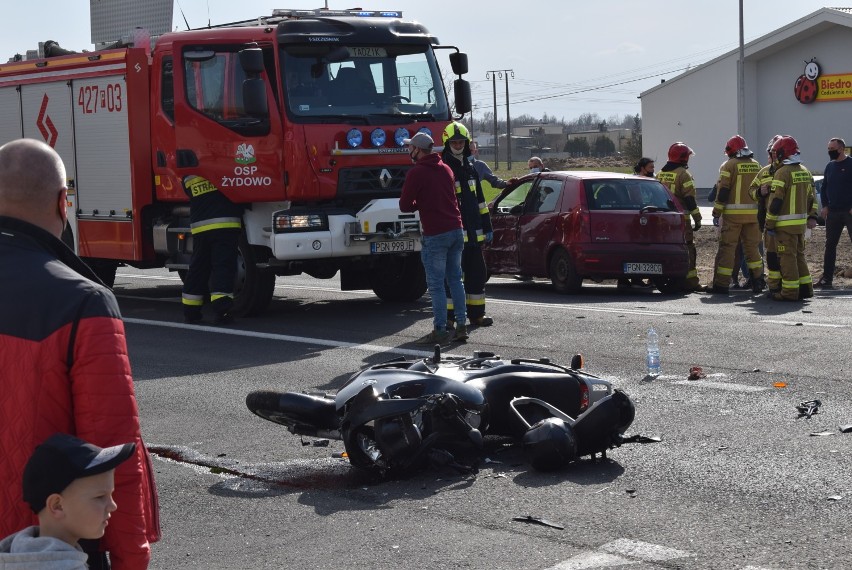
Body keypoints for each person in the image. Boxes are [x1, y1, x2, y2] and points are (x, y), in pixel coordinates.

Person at [0, 138, 159, 569]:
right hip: (42, 548)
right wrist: (131, 558)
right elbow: (112, 449)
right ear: (62, 202)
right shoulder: (81, 300)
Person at [0, 434, 137, 569]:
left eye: (111, 494)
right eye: (100, 497)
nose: (113, 506)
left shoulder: (13, 554)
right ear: (57, 505)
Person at [399, 132, 468, 344]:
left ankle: (439, 330)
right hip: (456, 229)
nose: (409, 151)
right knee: (455, 280)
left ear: (418, 150)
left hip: (435, 234)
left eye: (410, 148)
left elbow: (404, 206)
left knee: (436, 285)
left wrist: (419, 204)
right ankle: (461, 326)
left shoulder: (417, 172)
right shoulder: (446, 168)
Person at [441, 122, 496, 327]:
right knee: (454, 278)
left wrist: (488, 227)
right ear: (447, 143)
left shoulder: (470, 168)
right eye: (454, 142)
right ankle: (449, 317)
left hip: (474, 236)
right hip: (456, 235)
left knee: (477, 275)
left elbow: (481, 202)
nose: (458, 145)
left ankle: (476, 314)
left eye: (461, 142)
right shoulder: (444, 169)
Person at [181, 172, 244, 325]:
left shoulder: (188, 177)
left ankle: (191, 311)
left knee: (198, 268)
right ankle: (222, 311)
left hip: (200, 228)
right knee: (223, 267)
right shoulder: (223, 168)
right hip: (225, 225)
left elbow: (186, 190)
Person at [764, 135, 818, 301]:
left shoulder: (782, 173)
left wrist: (770, 223)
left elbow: (776, 202)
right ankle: (806, 289)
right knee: (799, 256)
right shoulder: (805, 171)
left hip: (784, 226)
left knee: (787, 259)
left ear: (782, 153)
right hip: (800, 226)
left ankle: (789, 292)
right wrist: (812, 216)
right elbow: (812, 198)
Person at [709, 135, 764, 295]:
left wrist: (716, 212)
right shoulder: (756, 165)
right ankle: (758, 282)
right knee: (753, 250)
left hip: (733, 217)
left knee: (728, 249)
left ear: (730, 150)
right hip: (753, 217)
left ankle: (722, 285)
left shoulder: (729, 165)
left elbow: (723, 190)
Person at [657, 142, 703, 291]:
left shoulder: (660, 173)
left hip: (662, 220)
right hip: (681, 220)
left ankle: (664, 278)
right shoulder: (684, 174)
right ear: (683, 158)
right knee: (688, 249)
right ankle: (690, 282)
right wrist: (697, 218)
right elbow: (689, 199)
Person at [815, 137, 852, 289]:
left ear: (841, 149)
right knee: (830, 245)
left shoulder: (850, 164)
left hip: (849, 212)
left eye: (832, 149)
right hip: (833, 213)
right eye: (828, 149)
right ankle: (827, 279)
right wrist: (825, 206)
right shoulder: (830, 166)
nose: (830, 152)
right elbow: (824, 188)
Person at [751, 135, 783, 295]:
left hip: (787, 223)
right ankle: (775, 285)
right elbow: (751, 192)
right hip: (769, 222)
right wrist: (759, 192)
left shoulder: (792, 171)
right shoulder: (764, 172)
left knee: (789, 255)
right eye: (772, 153)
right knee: (771, 254)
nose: (774, 156)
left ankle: (789, 284)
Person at [618, 159, 656, 289]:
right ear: (642, 168)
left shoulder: (652, 182)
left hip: (649, 217)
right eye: (650, 167)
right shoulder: (633, 182)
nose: (653, 170)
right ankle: (633, 279)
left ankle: (648, 278)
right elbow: (636, 199)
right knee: (636, 250)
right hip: (636, 218)